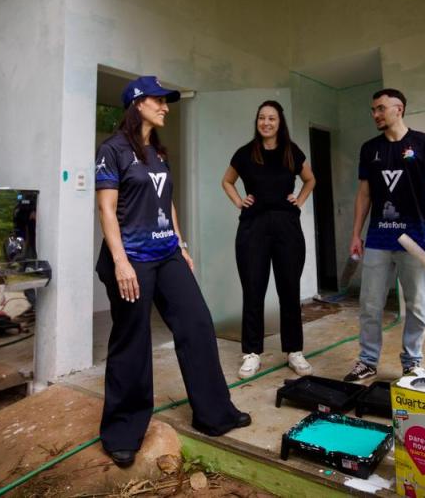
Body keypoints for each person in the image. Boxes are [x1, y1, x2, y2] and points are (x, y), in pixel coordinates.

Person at [95, 76, 250, 468]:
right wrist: (120, 262)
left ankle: (215, 414)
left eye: (167, 101)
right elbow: (107, 209)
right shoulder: (112, 150)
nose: (165, 107)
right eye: (158, 100)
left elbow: (168, 202)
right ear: (137, 104)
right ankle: (122, 432)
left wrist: (180, 243)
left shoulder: (157, 153)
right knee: (132, 339)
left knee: (197, 324)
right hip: (132, 257)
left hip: (167, 254)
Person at [345, 89, 425, 382]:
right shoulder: (369, 148)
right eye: (373, 110)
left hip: (415, 239)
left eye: (380, 108)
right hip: (378, 239)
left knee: (416, 304)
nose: (376, 114)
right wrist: (356, 234)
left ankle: (412, 362)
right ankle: (367, 360)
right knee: (370, 304)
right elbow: (364, 194)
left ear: (398, 108)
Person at [221, 100, 316, 379]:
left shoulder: (291, 151)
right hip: (253, 227)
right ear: (257, 121)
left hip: (287, 226)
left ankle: (294, 351)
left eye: (271, 118)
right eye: (262, 118)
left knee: (289, 289)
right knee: (253, 290)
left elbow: (310, 179)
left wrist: (298, 200)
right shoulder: (245, 153)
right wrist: (239, 200)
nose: (266, 123)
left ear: (279, 122)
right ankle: (251, 353)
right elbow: (226, 181)